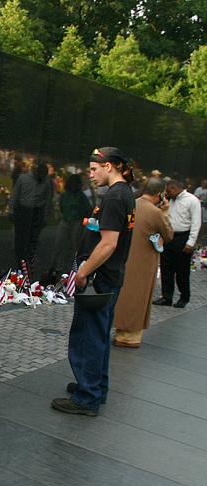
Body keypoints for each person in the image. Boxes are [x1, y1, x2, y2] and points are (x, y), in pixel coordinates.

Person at [51, 147, 135, 416]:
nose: (90, 174)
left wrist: (84, 272)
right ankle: (96, 388)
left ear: (109, 166)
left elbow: (109, 243)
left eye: (93, 168)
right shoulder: (124, 193)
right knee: (98, 336)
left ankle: (87, 398)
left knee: (87, 337)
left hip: (99, 279)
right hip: (109, 278)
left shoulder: (114, 197)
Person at [113, 178, 173, 347]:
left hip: (124, 256)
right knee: (138, 296)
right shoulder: (156, 213)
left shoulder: (132, 203)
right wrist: (166, 212)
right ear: (160, 194)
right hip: (144, 261)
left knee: (124, 293)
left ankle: (119, 329)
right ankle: (128, 337)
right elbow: (168, 235)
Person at [152, 179, 201, 308]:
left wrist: (191, 242)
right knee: (166, 268)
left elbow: (196, 223)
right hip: (169, 236)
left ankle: (184, 297)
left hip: (182, 237)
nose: (166, 193)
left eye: (168, 190)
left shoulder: (192, 200)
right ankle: (166, 297)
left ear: (174, 188)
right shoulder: (169, 201)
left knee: (182, 270)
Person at [9, 163, 53, 269]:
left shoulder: (46, 183)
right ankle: (19, 260)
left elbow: (48, 201)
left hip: (37, 211)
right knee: (20, 236)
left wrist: (45, 217)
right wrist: (11, 210)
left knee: (32, 238)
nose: (41, 179)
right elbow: (15, 195)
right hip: (23, 210)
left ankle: (29, 259)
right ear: (36, 172)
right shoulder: (23, 179)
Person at [49, 174, 92, 275]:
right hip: (66, 222)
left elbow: (87, 210)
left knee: (74, 246)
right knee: (59, 244)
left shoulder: (81, 197)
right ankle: (53, 266)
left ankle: (73, 268)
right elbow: (62, 208)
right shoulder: (65, 195)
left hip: (75, 222)